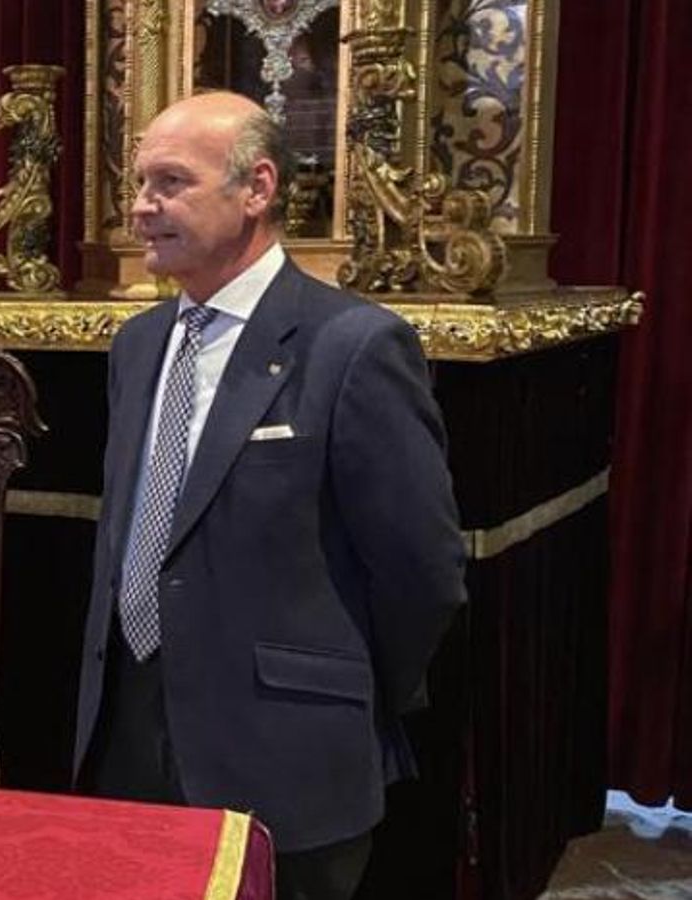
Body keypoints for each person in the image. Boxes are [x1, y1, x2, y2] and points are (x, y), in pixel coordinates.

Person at [73, 91, 466, 900]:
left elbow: (422, 574)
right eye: (139, 183)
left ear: (257, 187)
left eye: (170, 182)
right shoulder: (137, 344)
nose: (141, 206)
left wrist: (345, 695)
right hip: (128, 746)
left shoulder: (355, 347)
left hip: (286, 762)